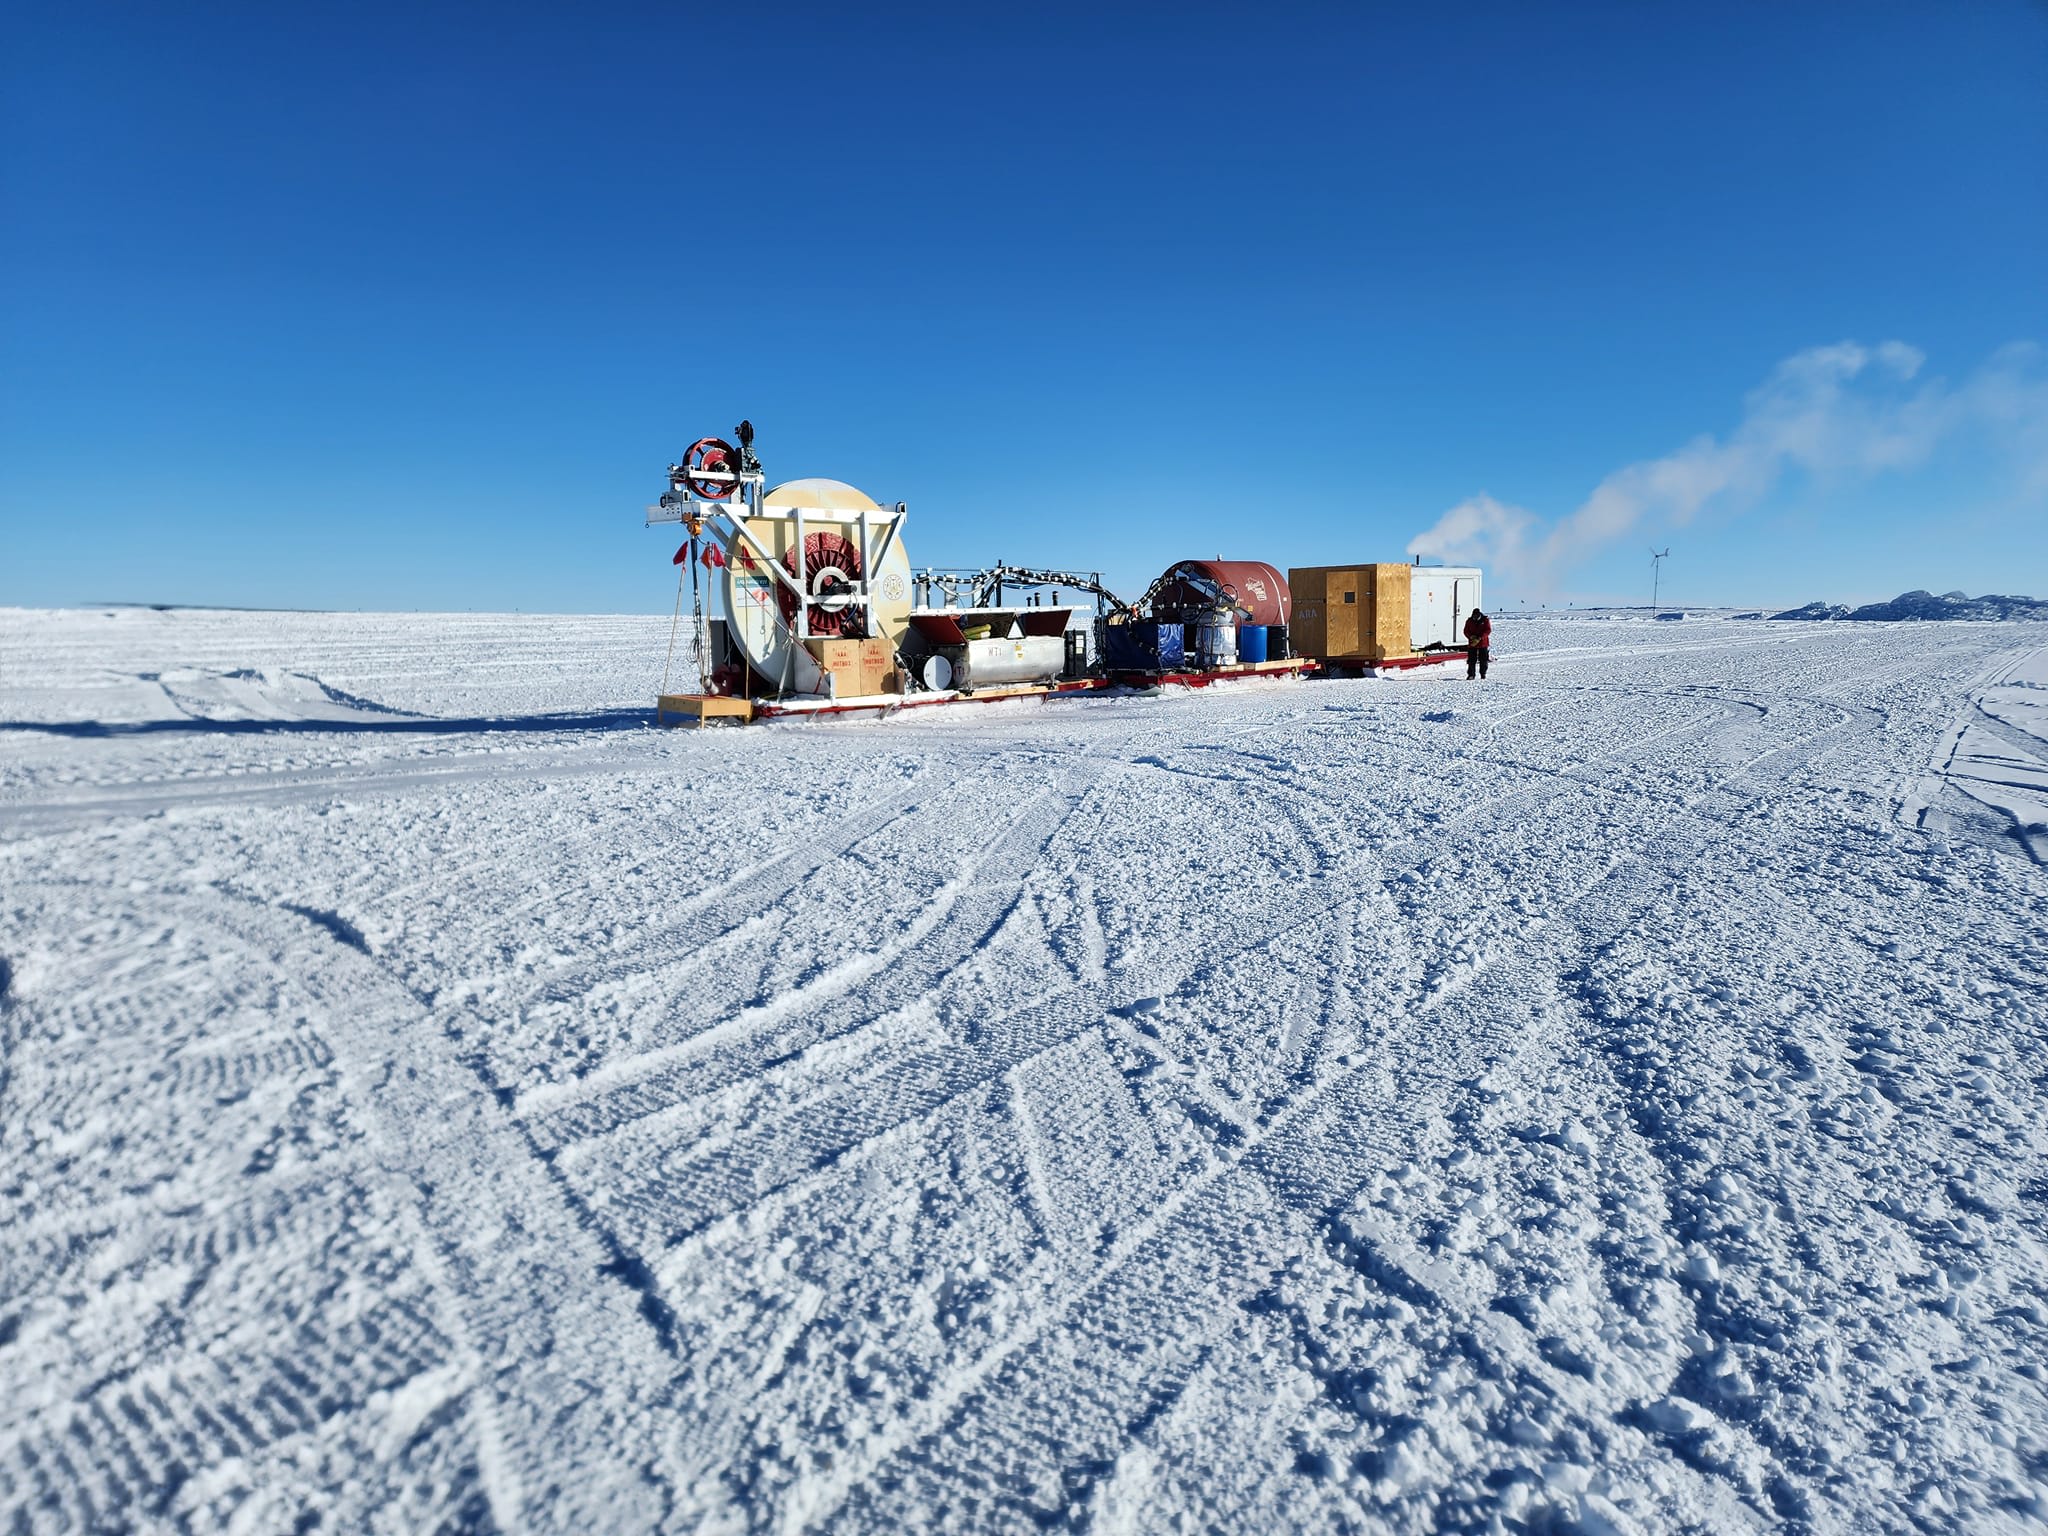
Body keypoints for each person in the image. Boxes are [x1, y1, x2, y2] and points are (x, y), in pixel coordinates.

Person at [1464, 608, 1492, 679]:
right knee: (1471, 660)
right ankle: (1471, 675)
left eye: (1476, 616)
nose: (1475, 617)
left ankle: (1483, 674)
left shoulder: (1485, 620)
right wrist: (1470, 636)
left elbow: (1488, 630)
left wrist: (1480, 637)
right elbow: (1466, 631)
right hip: (1472, 643)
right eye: (1474, 616)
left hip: (1483, 643)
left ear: (1479, 615)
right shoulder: (1469, 621)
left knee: (1483, 660)